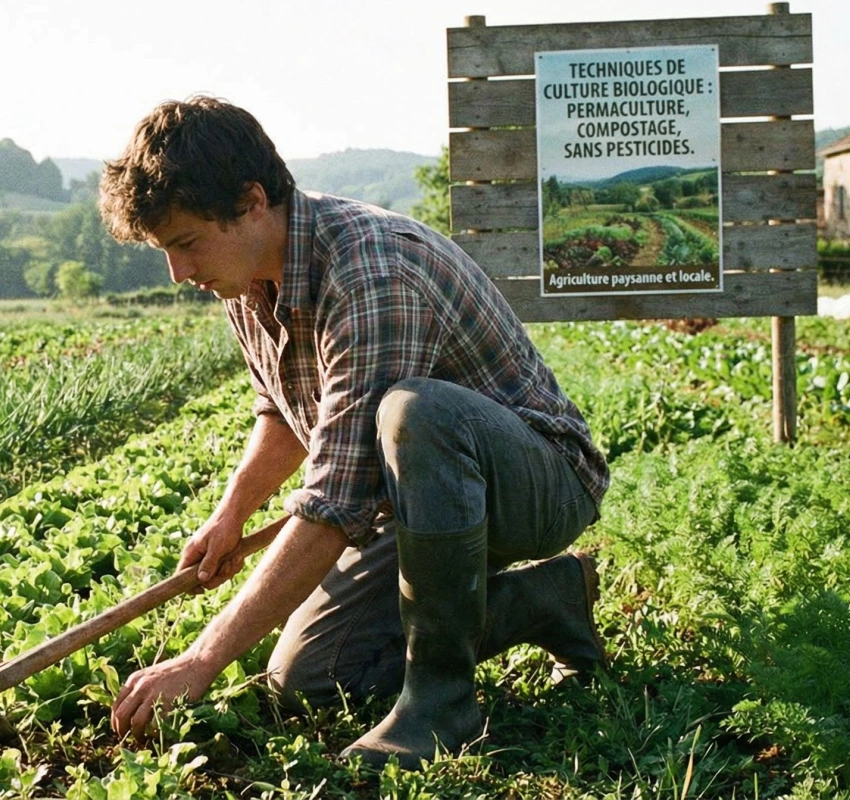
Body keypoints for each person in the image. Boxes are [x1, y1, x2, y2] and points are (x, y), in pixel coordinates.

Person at [98, 96, 610, 770]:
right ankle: (545, 601)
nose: (179, 272)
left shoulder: (372, 270)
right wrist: (231, 515)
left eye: (187, 244)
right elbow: (285, 411)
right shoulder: (248, 280)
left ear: (252, 202)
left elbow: (336, 503)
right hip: (415, 499)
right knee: (312, 677)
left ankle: (440, 703)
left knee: (416, 411)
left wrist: (202, 659)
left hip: (537, 485)